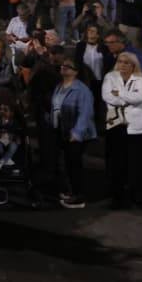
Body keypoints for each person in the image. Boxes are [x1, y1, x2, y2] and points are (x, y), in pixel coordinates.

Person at [103, 52, 142, 209]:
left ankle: (137, 197)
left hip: (136, 128)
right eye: (120, 61)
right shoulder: (110, 77)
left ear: (133, 65)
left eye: (126, 62)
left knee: (136, 164)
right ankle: (117, 198)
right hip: (115, 125)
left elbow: (141, 97)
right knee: (116, 164)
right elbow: (107, 96)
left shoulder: (141, 79)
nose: (122, 65)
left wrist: (120, 94)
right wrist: (127, 98)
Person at [52, 58, 97, 209]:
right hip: (64, 130)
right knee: (68, 163)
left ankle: (79, 196)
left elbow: (85, 113)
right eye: (63, 65)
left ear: (75, 72)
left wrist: (77, 132)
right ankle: (72, 191)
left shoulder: (81, 90)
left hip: (78, 133)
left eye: (68, 66)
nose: (63, 67)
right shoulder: (59, 86)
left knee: (74, 164)